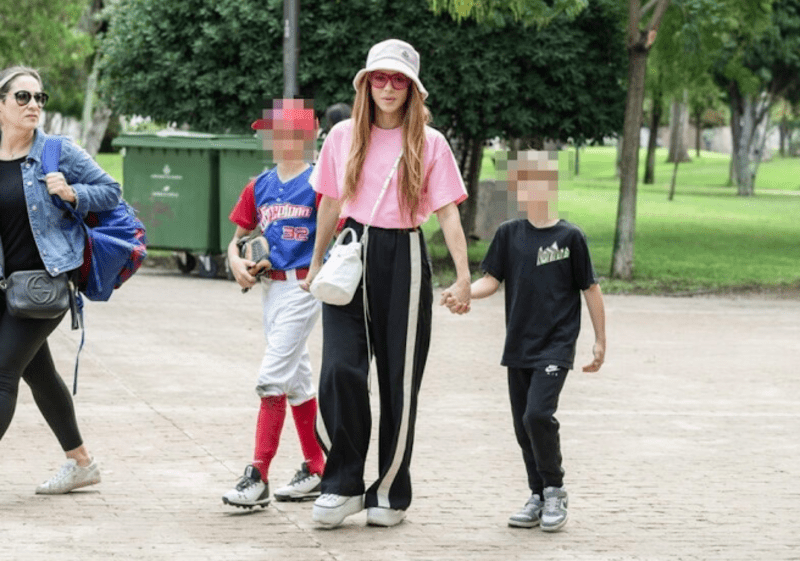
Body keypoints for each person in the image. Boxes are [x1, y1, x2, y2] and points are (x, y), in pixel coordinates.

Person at [301, 38, 471, 528]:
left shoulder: (431, 143)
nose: (388, 88)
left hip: (405, 256)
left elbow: (447, 215)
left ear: (412, 88)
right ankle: (343, 483)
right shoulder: (341, 136)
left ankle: (391, 490)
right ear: (366, 83)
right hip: (349, 253)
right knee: (339, 370)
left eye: (399, 79)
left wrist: (462, 278)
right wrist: (315, 265)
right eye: (380, 77)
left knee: (399, 380)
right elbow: (329, 204)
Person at [444, 150, 606, 532]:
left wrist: (600, 341)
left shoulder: (570, 237)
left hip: (556, 345)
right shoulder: (508, 235)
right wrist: (464, 291)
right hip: (519, 345)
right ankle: (536, 494)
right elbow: (491, 281)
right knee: (523, 425)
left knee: (537, 415)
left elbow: (592, 290)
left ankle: (555, 490)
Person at [0, 66, 121, 494]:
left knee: (3, 370)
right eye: (22, 97)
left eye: (39, 98)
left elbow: (112, 191)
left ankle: (81, 462)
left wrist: (72, 193)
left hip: (43, 286)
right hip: (3, 288)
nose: (34, 105)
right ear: (1, 104)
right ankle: (81, 462)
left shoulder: (56, 152)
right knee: (39, 373)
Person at [222, 99, 326, 508]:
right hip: (271, 290)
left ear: (307, 136)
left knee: (271, 377)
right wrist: (236, 261)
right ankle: (316, 466)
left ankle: (258, 474)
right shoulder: (259, 185)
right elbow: (237, 239)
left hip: (304, 287)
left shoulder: (321, 182)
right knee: (297, 380)